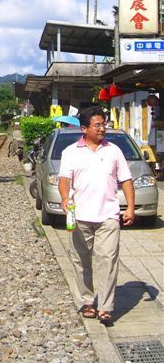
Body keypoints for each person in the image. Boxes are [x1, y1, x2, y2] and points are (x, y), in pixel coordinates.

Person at [58, 105, 135, 325]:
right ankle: (87, 301)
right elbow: (65, 180)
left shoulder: (114, 150)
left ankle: (105, 307)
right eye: (97, 125)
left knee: (108, 260)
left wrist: (129, 207)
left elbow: (126, 180)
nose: (102, 128)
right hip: (79, 216)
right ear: (84, 128)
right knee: (81, 261)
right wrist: (65, 198)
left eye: (104, 124)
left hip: (108, 216)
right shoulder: (71, 152)